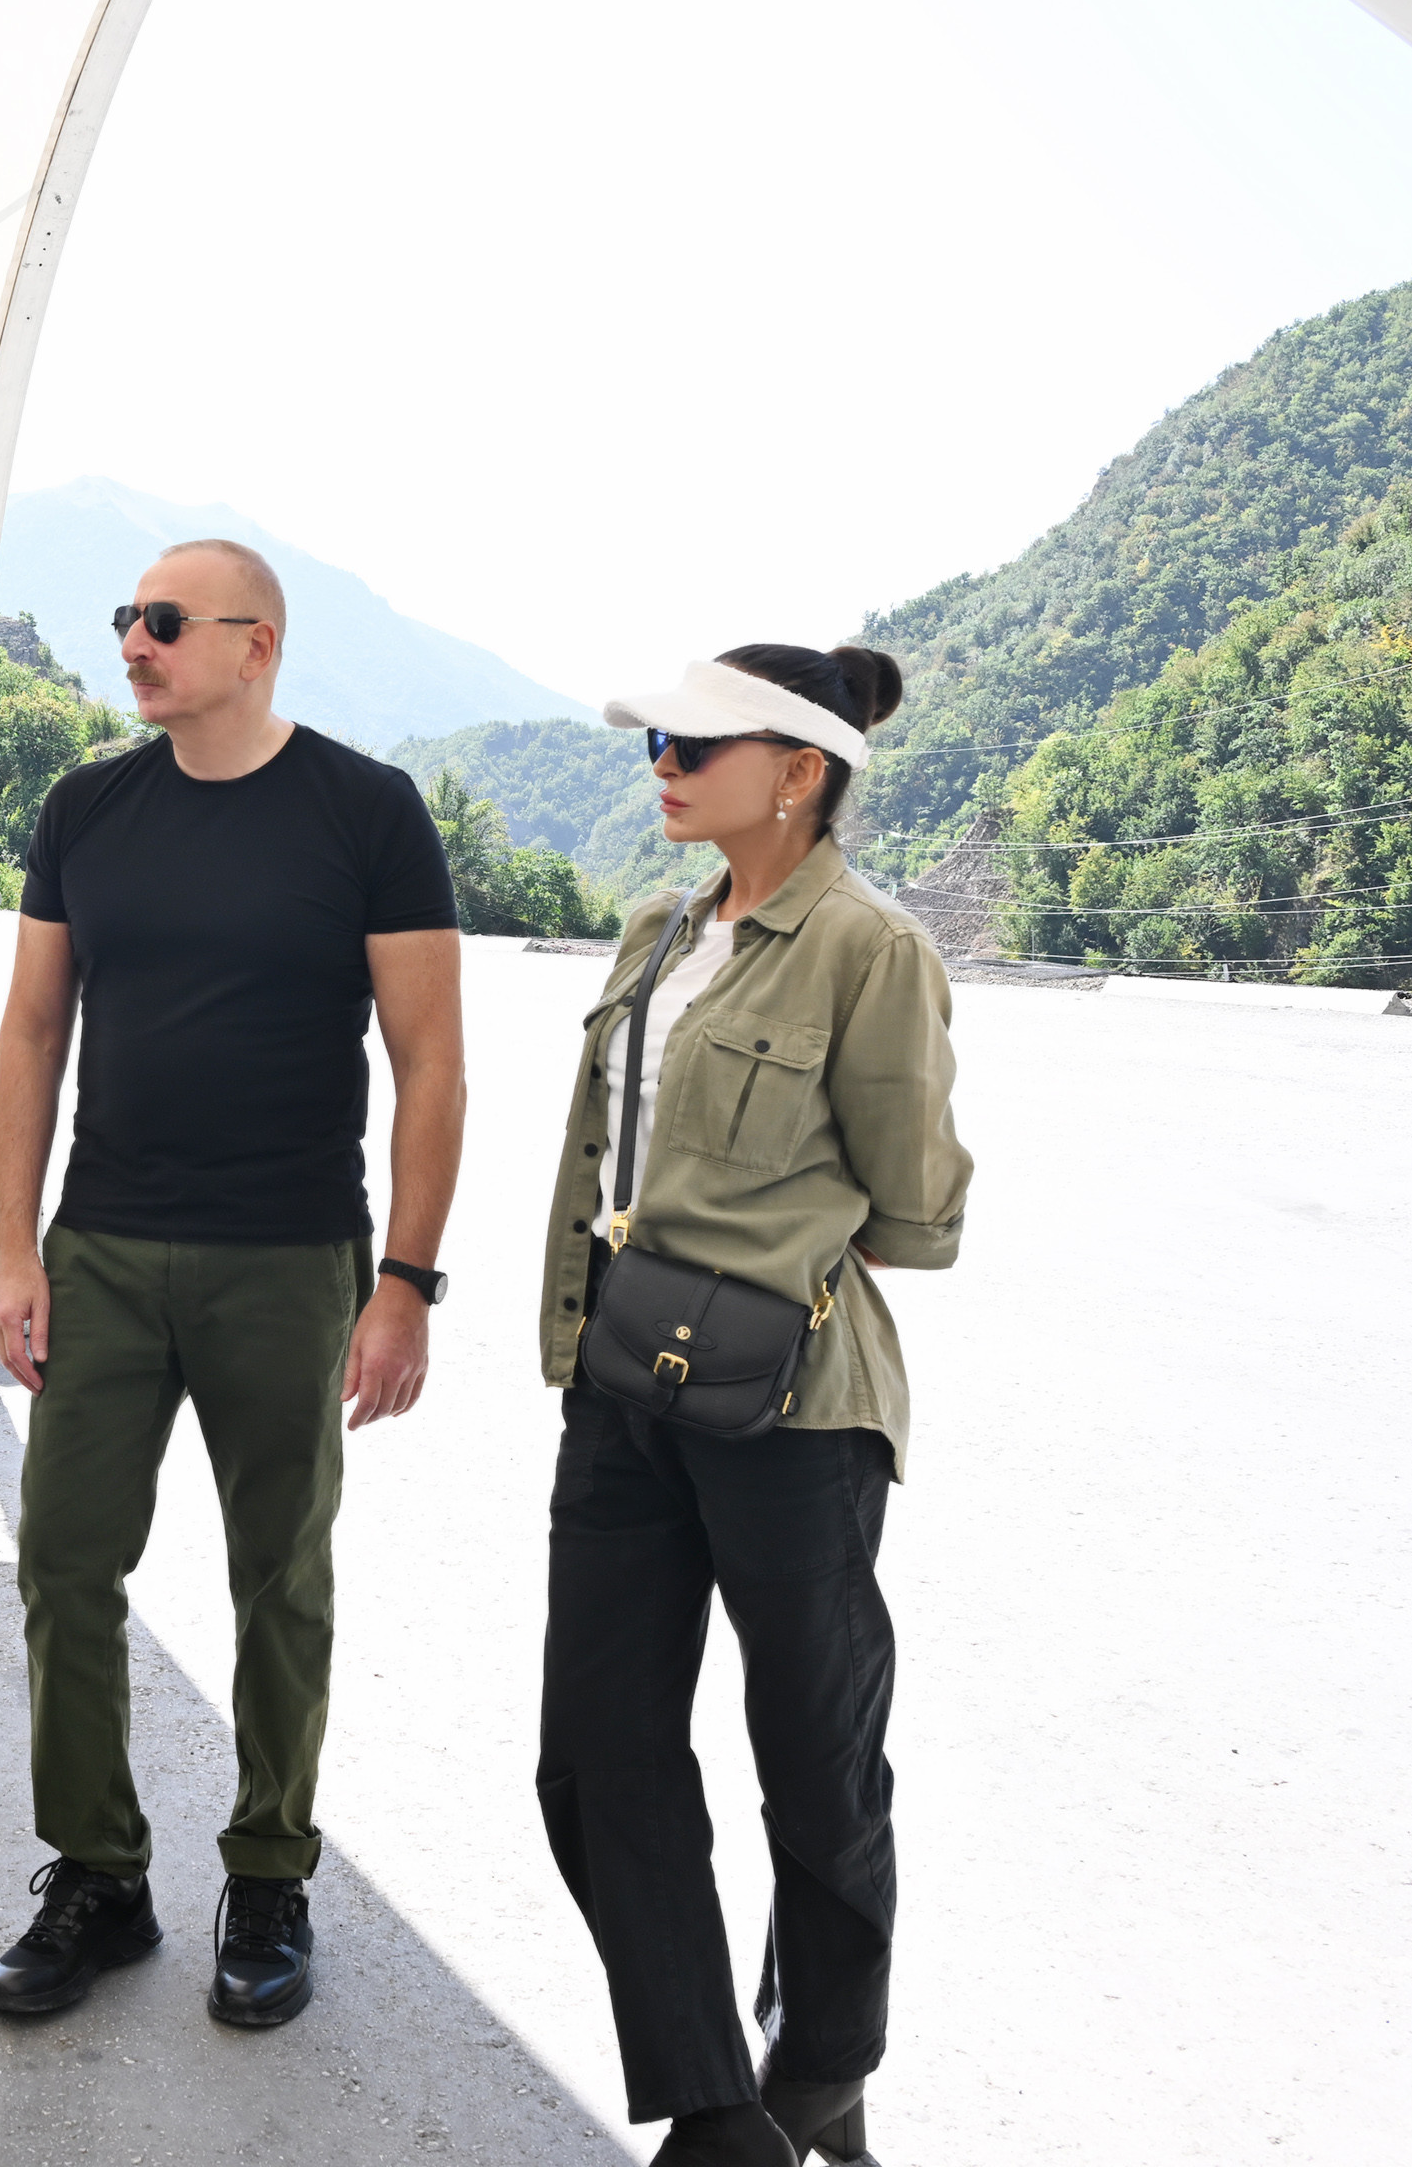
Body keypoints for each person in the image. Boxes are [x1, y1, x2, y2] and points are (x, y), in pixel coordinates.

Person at [0, 537, 466, 2029]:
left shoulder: (366, 812)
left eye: (166, 622)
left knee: (282, 1580)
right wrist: (12, 1246)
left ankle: (269, 1871)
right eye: (126, 614)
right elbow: (32, 1030)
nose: (134, 639)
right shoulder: (87, 808)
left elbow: (431, 1059)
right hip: (106, 1250)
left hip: (292, 1256)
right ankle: (99, 1878)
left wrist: (406, 1283)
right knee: (65, 1563)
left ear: (256, 645)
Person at [528, 646, 970, 2167]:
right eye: (655, 740)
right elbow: (606, 1167)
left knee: (816, 1759)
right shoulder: (655, 930)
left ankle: (821, 2071)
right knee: (596, 1751)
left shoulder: (868, 947)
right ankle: (718, 2108)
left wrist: (769, 1242)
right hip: (620, 1391)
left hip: (798, 1409)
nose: (661, 763)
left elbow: (917, 1211)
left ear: (799, 770)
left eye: (693, 743)